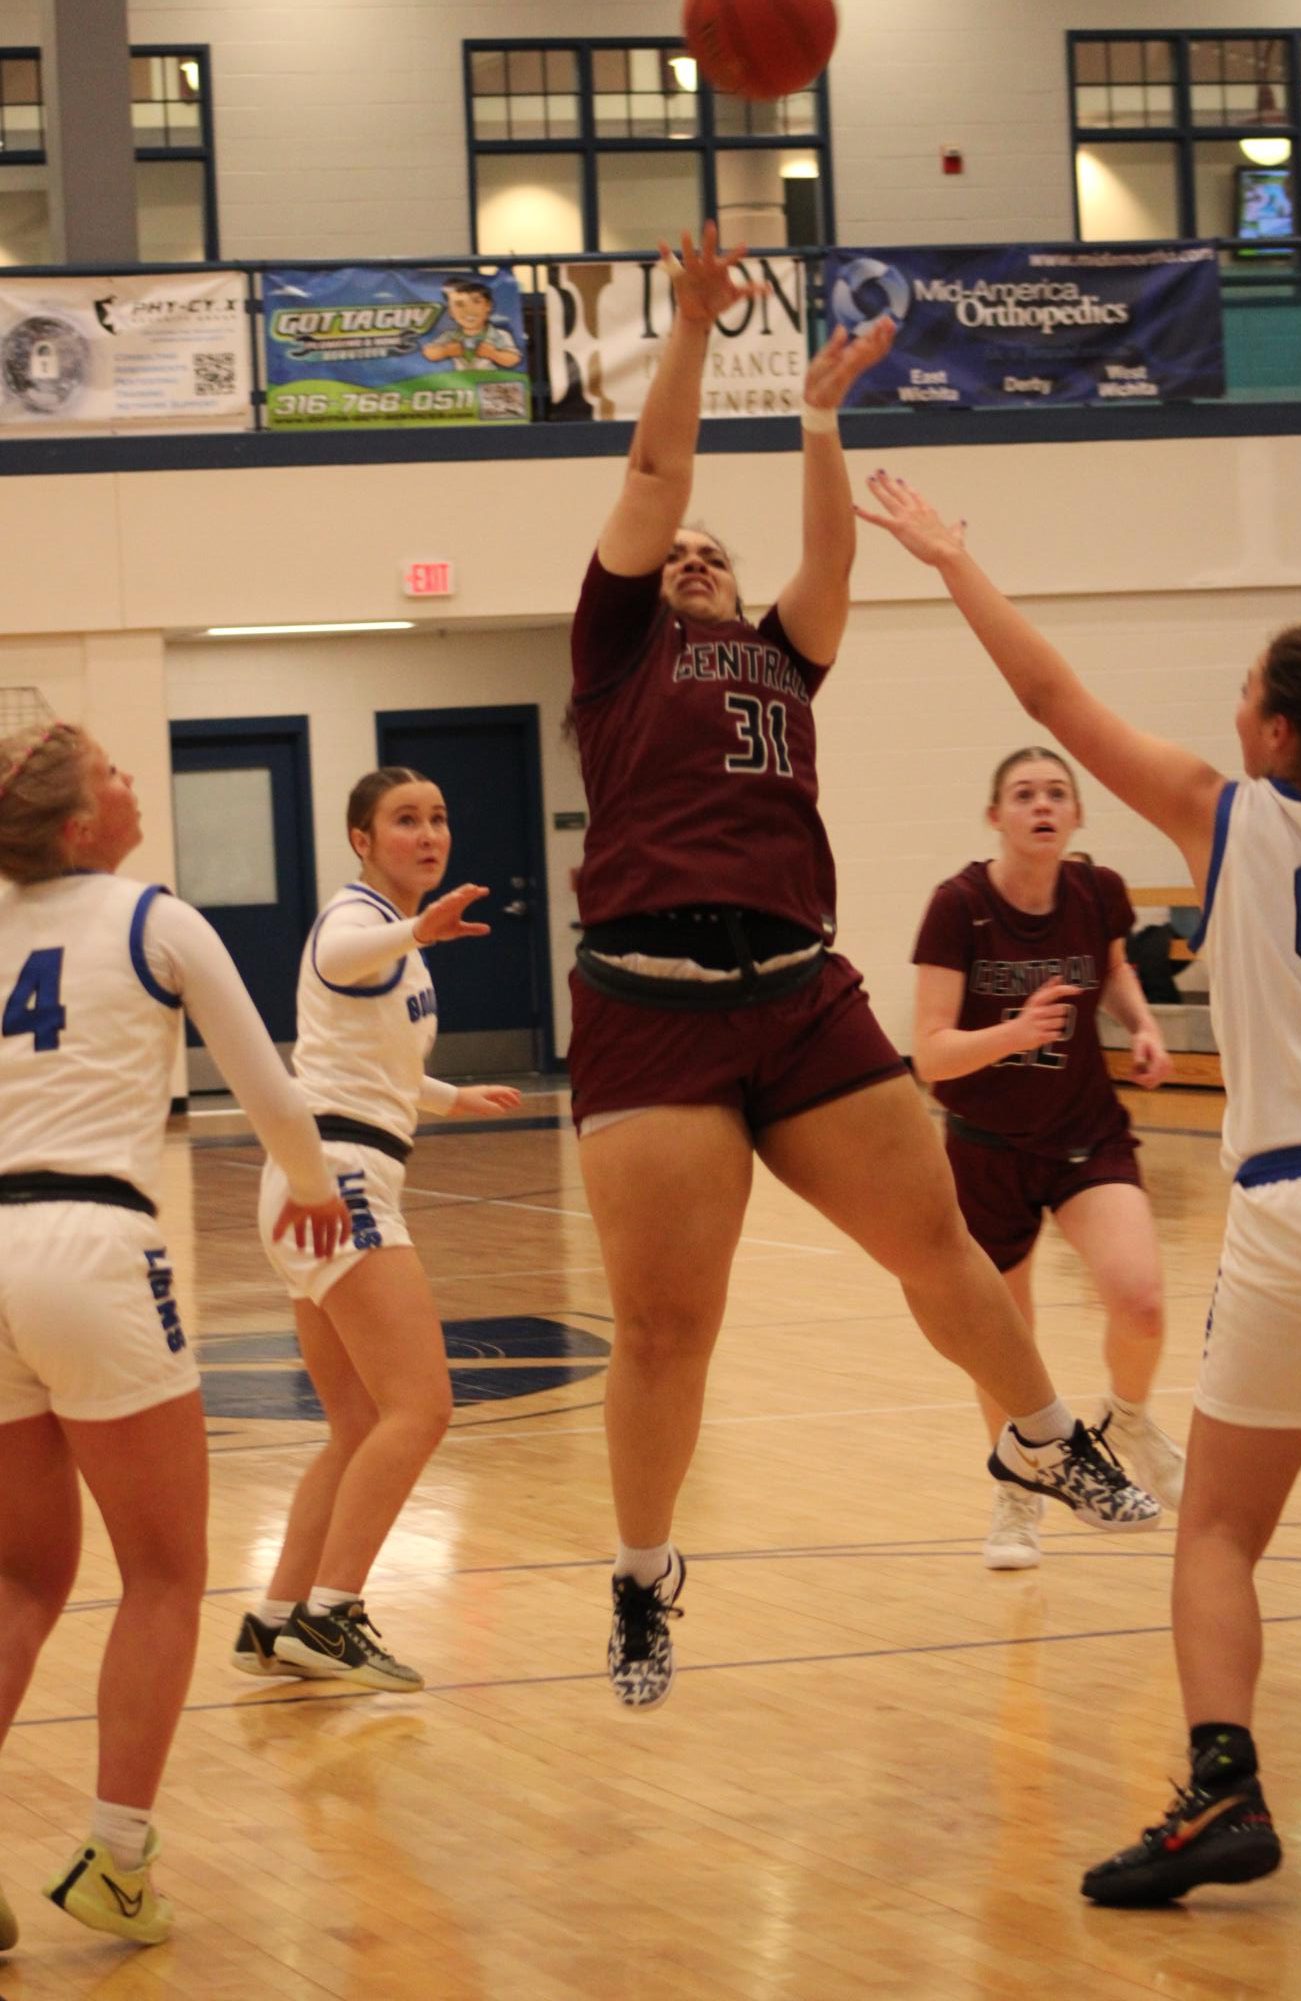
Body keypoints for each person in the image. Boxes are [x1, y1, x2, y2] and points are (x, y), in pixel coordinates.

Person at [567, 226, 1157, 1715]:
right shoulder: (617, 655)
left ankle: (1036, 1435)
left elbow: (827, 557)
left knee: (938, 1246)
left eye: (714, 555)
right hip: (647, 1004)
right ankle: (642, 1577)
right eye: (682, 556)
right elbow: (653, 482)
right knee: (663, 1328)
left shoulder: (779, 653)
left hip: (796, 987)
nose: (695, 556)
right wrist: (692, 332)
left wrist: (820, 419)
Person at [857, 468, 1301, 1905]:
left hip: (1297, 1209)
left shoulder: (1226, 813)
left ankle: (1220, 1791)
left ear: (1265, 728)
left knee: (1220, 1532)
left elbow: (1051, 691)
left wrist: (950, 558)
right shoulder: (1005, 891)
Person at [0, 722, 349, 1950]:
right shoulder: (155, 918)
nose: (131, 782)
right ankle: (117, 1858)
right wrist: (312, 1187)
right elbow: (270, 1088)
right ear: (82, 823)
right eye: (112, 772)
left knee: (18, 1580)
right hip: (92, 1245)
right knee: (161, 1575)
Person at [233, 766, 521, 1693]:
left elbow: (358, 1059)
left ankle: (276, 1618)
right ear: (362, 840)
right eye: (405, 820)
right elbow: (342, 960)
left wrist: (444, 1095)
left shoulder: (398, 936)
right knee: (421, 1408)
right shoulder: (354, 920)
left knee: (357, 1423)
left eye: (438, 817)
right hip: (337, 1183)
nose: (428, 833)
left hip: (316, 1180)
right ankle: (334, 1611)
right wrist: (414, 927)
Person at [913, 748, 1183, 1569]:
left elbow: (1113, 973)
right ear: (995, 815)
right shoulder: (959, 907)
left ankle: (1128, 1421)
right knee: (1007, 1339)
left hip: (1083, 1135)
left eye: (1057, 793)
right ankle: (1016, 1497)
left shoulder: (1096, 892)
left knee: (1139, 1300)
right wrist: (1013, 1034)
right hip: (986, 1149)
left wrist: (1139, 1022)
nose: (1042, 804)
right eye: (1024, 793)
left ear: (1076, 816)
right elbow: (930, 1055)